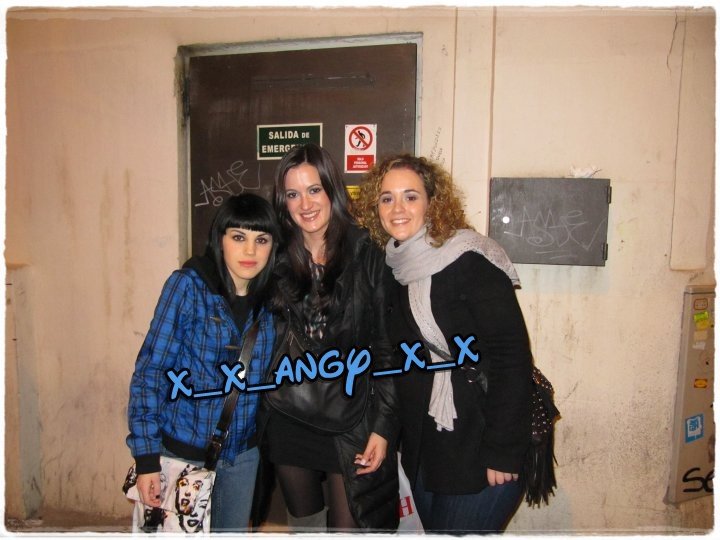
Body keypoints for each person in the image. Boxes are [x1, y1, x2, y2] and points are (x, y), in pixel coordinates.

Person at [355, 154, 533, 534]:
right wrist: (386, 432)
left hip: (480, 442)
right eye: (386, 198)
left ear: (432, 202)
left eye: (410, 196)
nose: (397, 208)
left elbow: (511, 357)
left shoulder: (470, 260)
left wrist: (503, 450)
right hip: (427, 450)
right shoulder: (395, 269)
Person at [259, 142, 399, 532]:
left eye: (314, 189)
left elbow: (387, 348)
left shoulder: (367, 252)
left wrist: (383, 427)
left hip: (351, 417)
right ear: (282, 202)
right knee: (304, 526)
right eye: (293, 194)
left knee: (346, 528)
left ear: (332, 190)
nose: (305, 204)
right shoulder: (274, 257)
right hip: (289, 410)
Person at [126, 193, 280, 532]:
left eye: (261, 240)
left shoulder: (272, 301)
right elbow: (151, 372)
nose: (250, 251)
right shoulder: (188, 287)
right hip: (182, 453)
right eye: (238, 237)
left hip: (242, 456)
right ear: (220, 239)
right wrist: (146, 458)